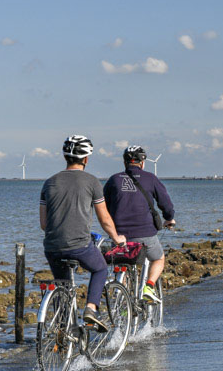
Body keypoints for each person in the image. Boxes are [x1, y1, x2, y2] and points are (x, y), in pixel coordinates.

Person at [40, 135, 125, 329]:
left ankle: (63, 333)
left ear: (65, 157)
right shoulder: (92, 182)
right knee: (100, 268)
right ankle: (91, 308)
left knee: (62, 285)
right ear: (86, 159)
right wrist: (117, 238)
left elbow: (44, 224)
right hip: (79, 245)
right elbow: (105, 219)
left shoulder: (49, 183)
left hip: (52, 247)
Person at [103, 145, 175, 303]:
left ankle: (121, 302)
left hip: (119, 236)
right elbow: (166, 204)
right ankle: (148, 286)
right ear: (143, 162)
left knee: (122, 262)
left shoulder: (113, 180)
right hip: (145, 234)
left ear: (124, 162)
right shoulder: (151, 178)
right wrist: (169, 218)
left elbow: (104, 207)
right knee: (159, 258)